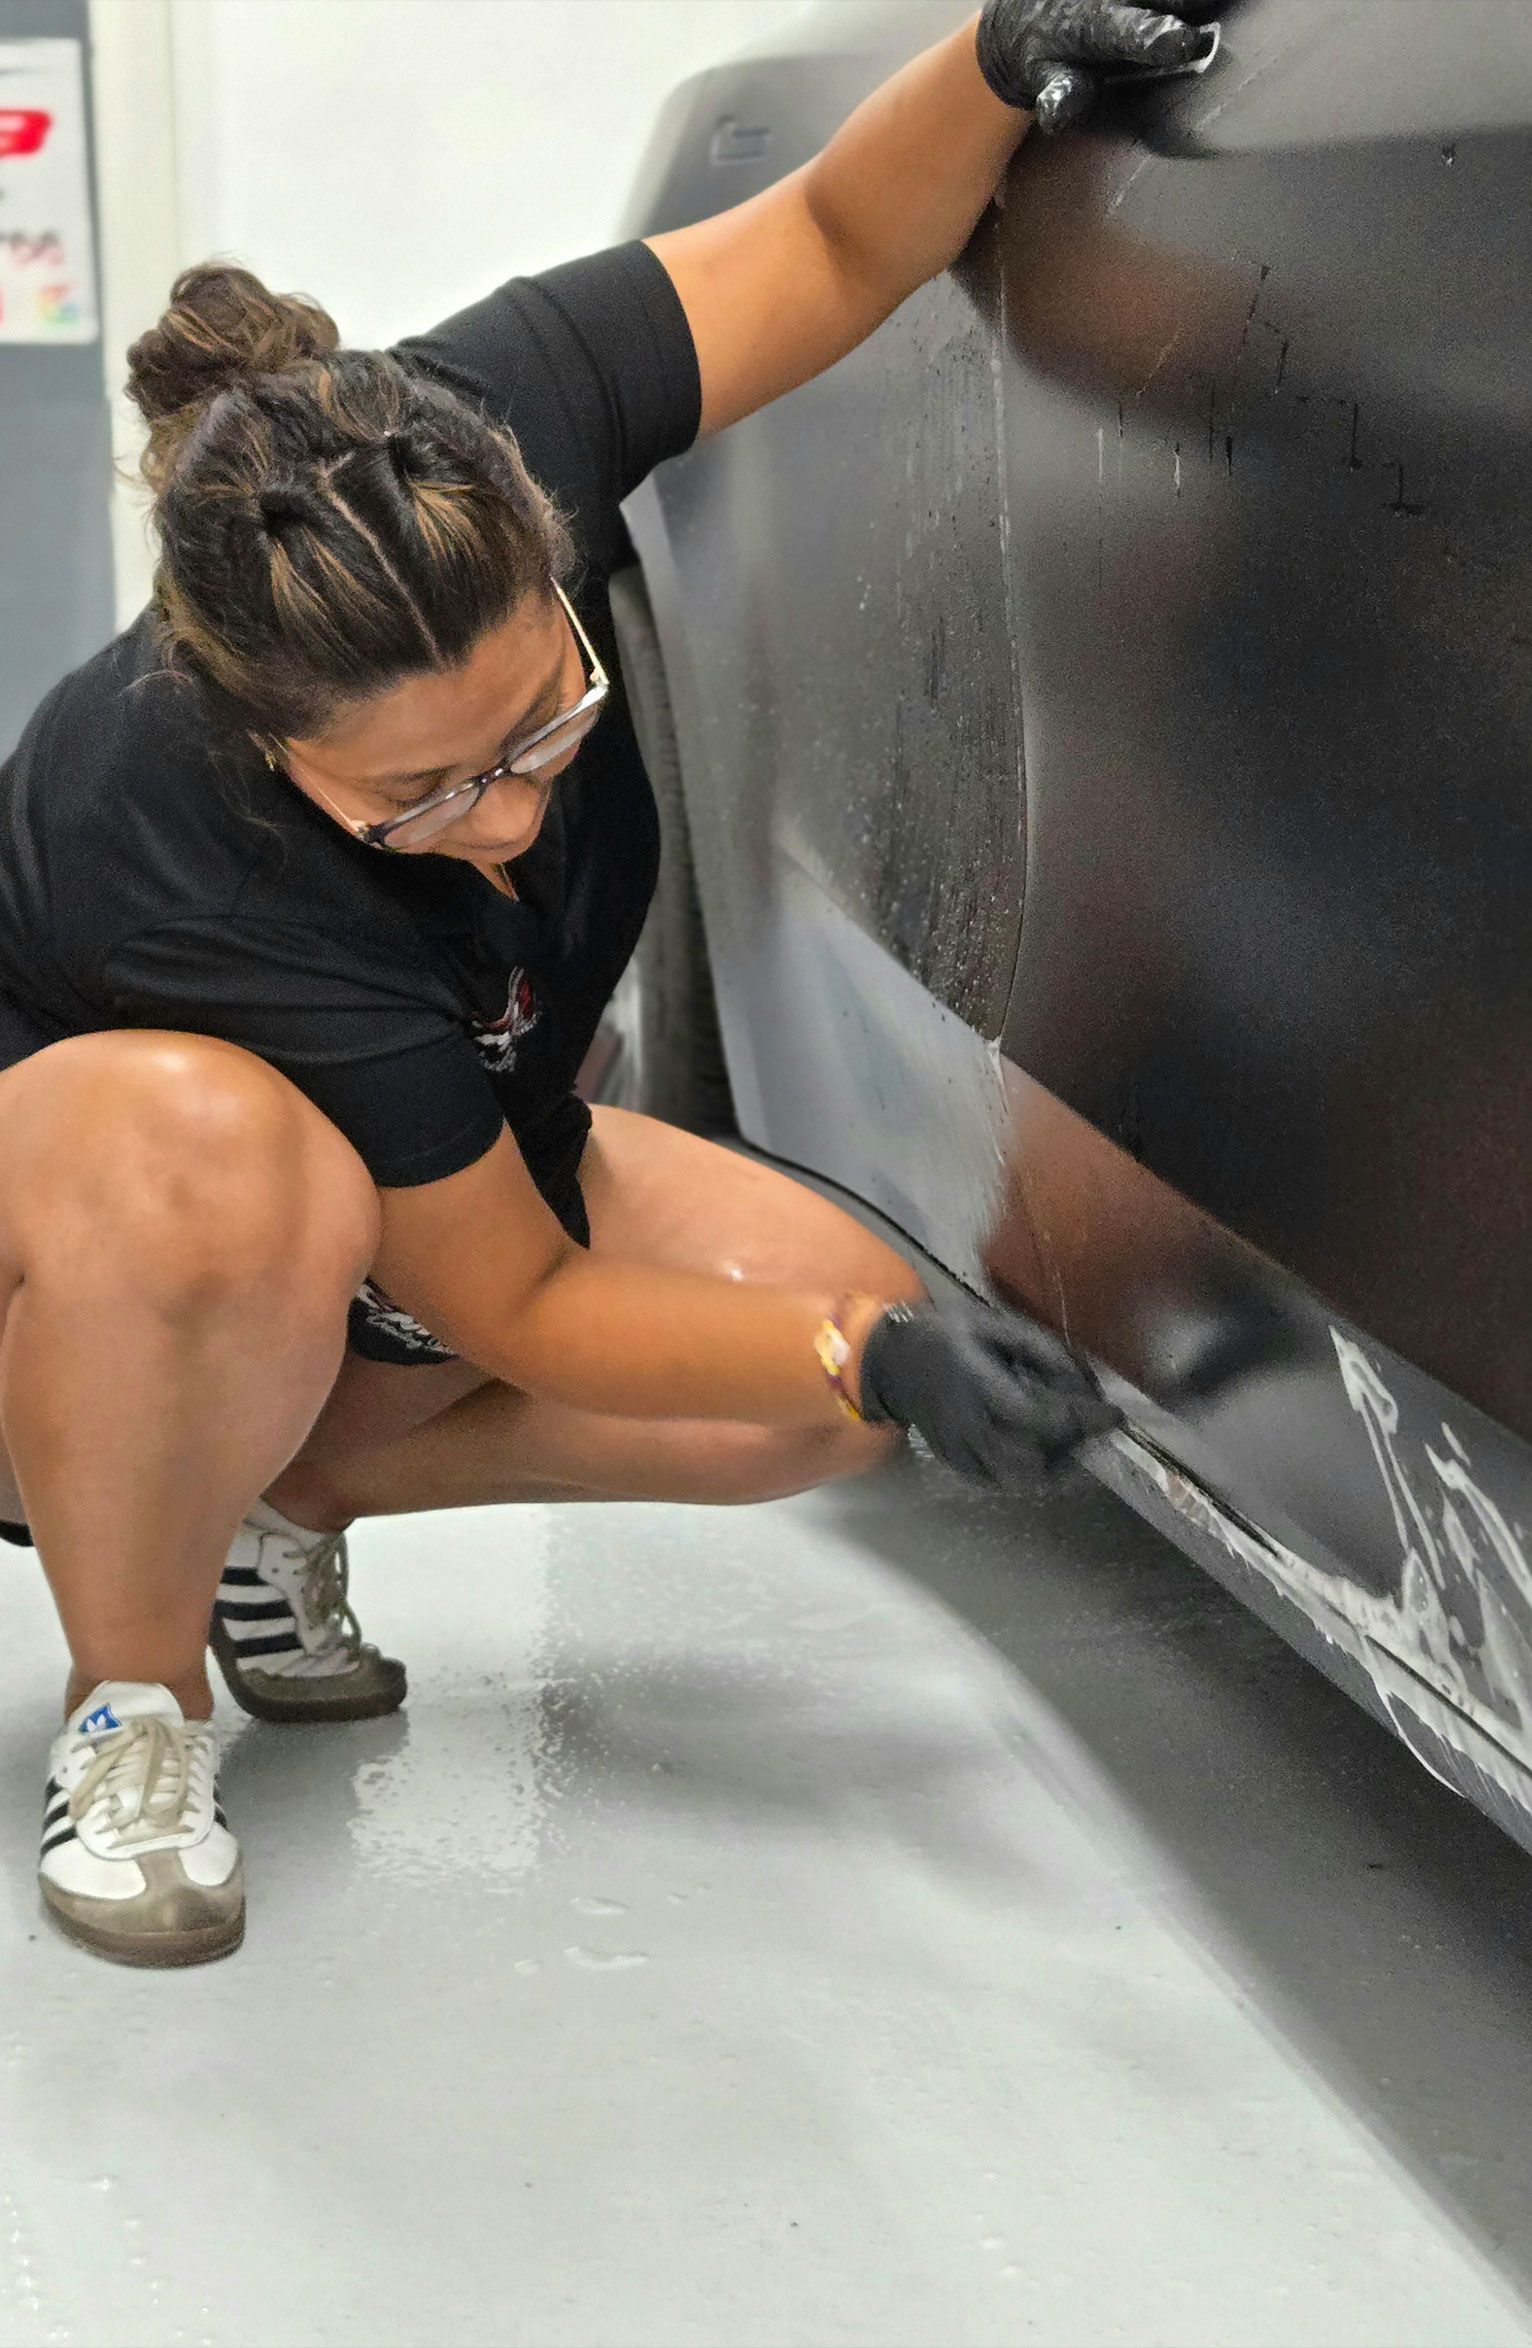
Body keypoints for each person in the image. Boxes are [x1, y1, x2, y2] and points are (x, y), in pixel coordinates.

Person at [0, 0, 1215, 1967]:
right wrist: (876, 1361)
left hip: (395, 1208)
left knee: (805, 1377)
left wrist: (997, 55)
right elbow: (527, 1301)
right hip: (80, 1280)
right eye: (420, 797)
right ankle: (132, 1694)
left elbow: (827, 241)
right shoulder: (194, 840)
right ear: (274, 753)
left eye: (544, 722)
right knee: (212, 1152)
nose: (505, 818)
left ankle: (273, 1499)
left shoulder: (487, 429)